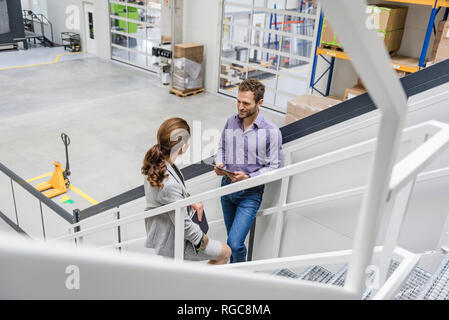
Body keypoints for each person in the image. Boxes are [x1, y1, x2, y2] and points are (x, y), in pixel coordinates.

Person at [142, 117, 231, 264]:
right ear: (182, 145)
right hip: (175, 241)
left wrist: (190, 200)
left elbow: (168, 198)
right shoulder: (168, 183)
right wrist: (203, 240)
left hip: (167, 231)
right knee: (225, 252)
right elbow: (183, 223)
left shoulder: (157, 162)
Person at [214, 79, 282, 263]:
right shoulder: (231, 121)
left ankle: (240, 275)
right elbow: (221, 147)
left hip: (249, 194)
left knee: (235, 244)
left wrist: (249, 177)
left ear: (259, 103)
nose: (240, 107)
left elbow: (274, 167)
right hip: (227, 188)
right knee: (230, 243)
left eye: (246, 103)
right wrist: (219, 163)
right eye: (238, 101)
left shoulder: (271, 132)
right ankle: (234, 275)